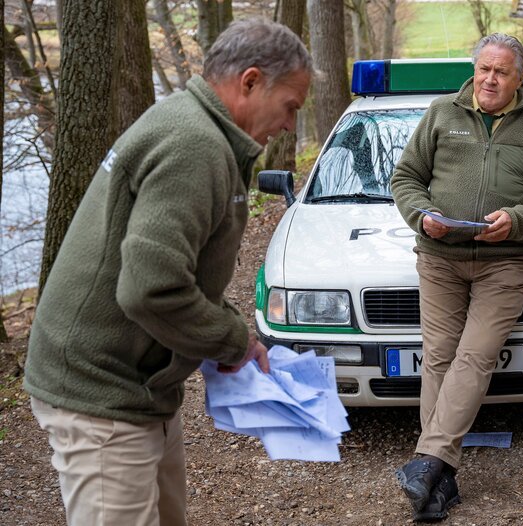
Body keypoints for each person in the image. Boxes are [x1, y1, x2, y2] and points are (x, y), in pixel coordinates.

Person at [23, 19, 312, 525]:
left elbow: (179, 273)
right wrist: (233, 340)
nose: (290, 124)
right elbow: (151, 288)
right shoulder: (193, 144)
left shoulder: (201, 132)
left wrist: (234, 331)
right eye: (290, 106)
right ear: (248, 82)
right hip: (102, 391)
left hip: (141, 389)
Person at [390, 33, 523, 521]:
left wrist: (516, 220)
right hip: (440, 257)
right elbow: (405, 178)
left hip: (506, 261)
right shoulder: (441, 113)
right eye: (484, 69)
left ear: (520, 79)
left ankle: (427, 462)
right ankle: (438, 481)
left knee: (475, 355)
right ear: (474, 71)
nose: (490, 79)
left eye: (502, 72)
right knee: (439, 357)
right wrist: (421, 213)